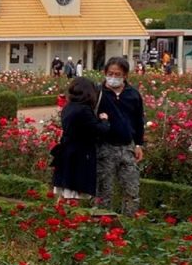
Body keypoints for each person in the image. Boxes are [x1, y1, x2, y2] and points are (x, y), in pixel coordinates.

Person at [96, 56, 146, 216]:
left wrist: (138, 144)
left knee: (131, 190)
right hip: (105, 148)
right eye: (110, 73)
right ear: (105, 73)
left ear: (125, 75)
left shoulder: (133, 94)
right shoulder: (98, 93)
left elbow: (139, 120)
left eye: (117, 74)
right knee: (104, 191)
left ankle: (129, 222)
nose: (113, 77)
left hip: (127, 147)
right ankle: (101, 223)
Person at [51, 77, 111, 201]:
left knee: (64, 192)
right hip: (78, 154)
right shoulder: (83, 109)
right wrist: (104, 120)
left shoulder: (68, 107)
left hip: (67, 151)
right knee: (74, 193)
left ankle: (61, 212)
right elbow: (98, 129)